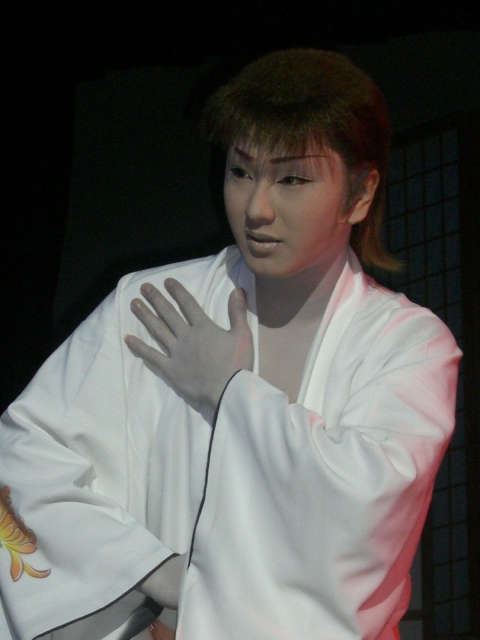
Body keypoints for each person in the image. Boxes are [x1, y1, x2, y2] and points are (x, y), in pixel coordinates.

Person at [0, 49, 460, 640]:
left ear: (360, 194)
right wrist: (151, 573)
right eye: (241, 172)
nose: (257, 208)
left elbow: (364, 504)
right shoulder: (151, 304)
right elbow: (25, 457)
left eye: (292, 179)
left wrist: (228, 393)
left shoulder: (409, 343)